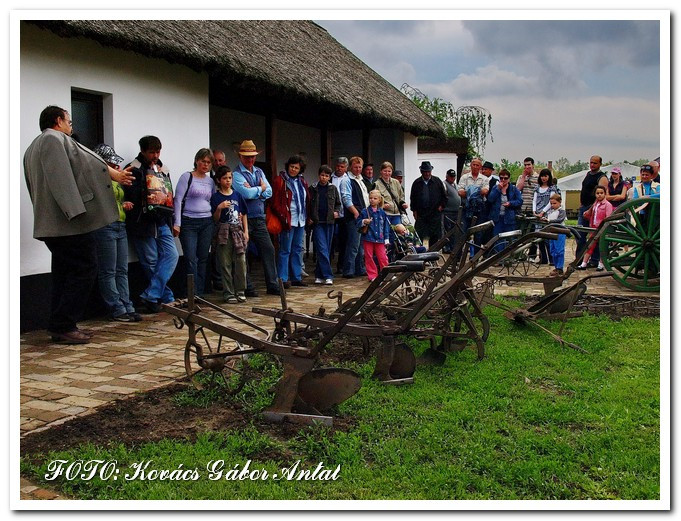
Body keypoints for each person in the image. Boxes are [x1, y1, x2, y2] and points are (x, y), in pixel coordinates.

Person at [23, 106, 133, 343]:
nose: (71, 126)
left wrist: (112, 174)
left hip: (54, 223)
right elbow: (61, 178)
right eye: (69, 121)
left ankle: (60, 325)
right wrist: (76, 213)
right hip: (67, 223)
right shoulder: (53, 140)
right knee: (85, 268)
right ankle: (64, 324)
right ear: (58, 120)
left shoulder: (34, 146)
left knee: (64, 274)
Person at [124, 135, 180, 313]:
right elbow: (129, 194)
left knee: (172, 255)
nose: (155, 155)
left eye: (158, 151)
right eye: (151, 152)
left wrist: (172, 221)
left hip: (162, 220)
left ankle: (151, 294)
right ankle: (166, 297)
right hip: (142, 223)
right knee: (151, 262)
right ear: (142, 151)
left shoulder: (163, 169)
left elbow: (169, 196)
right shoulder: (133, 169)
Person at [92, 144, 141, 323]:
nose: (116, 167)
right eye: (111, 164)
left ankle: (127, 305)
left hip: (120, 224)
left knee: (122, 269)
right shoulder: (96, 180)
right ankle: (116, 308)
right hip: (105, 226)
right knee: (109, 270)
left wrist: (124, 204)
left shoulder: (116, 180)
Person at [231, 140, 280, 295]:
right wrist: (261, 189)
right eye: (247, 157)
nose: (250, 160)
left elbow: (269, 192)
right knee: (242, 252)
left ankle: (272, 284)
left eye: (252, 156)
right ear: (240, 157)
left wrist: (256, 190)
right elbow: (246, 194)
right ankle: (246, 286)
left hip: (258, 217)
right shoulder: (236, 174)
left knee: (268, 249)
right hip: (243, 217)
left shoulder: (259, 171)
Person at [173, 148, 216, 297]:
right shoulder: (187, 177)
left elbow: (213, 200)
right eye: (203, 161)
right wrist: (177, 222)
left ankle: (200, 292)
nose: (205, 165)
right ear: (197, 161)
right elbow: (178, 200)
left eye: (208, 162)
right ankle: (191, 292)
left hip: (207, 221)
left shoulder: (210, 181)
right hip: (189, 221)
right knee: (191, 258)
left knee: (203, 257)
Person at [210, 166, 248, 304]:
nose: (228, 180)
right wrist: (219, 208)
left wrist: (246, 232)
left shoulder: (237, 195)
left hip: (237, 230)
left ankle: (240, 290)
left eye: (230, 178)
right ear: (219, 180)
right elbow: (215, 218)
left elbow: (244, 214)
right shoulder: (216, 197)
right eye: (225, 178)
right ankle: (228, 292)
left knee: (240, 261)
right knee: (225, 263)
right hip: (223, 230)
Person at [271, 155, 310, 288]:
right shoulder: (280, 181)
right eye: (291, 167)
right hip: (288, 220)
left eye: (296, 168)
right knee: (285, 250)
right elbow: (275, 201)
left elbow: (306, 200)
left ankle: (296, 277)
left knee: (297, 249)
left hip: (300, 220)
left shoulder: (302, 182)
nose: (293, 169)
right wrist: (283, 215)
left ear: (300, 169)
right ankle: (283, 278)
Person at [309, 165, 341, 285]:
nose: (324, 177)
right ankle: (328, 275)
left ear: (329, 177)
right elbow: (308, 204)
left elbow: (338, 203)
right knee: (321, 249)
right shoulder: (312, 188)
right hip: (317, 222)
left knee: (326, 250)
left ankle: (319, 274)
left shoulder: (333, 188)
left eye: (326, 176)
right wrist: (309, 217)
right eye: (322, 175)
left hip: (329, 222)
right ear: (319, 175)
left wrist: (337, 212)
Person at [576, 155, 609, 265]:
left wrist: (591, 210)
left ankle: (594, 260)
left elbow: (600, 196)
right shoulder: (588, 174)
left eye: (595, 163)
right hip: (584, 207)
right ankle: (579, 259)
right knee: (579, 234)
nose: (592, 165)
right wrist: (581, 204)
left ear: (600, 164)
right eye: (591, 162)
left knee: (594, 236)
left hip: (595, 209)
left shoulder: (602, 177)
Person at [341, 156, 369, 278]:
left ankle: (360, 268)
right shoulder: (347, 180)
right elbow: (346, 198)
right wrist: (355, 212)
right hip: (354, 217)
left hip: (363, 215)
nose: (358, 169)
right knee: (353, 244)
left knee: (361, 245)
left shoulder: (361, 180)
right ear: (350, 167)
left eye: (360, 167)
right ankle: (348, 270)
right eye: (355, 167)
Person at [410, 161, 447, 248]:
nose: (427, 173)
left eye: (428, 171)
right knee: (419, 235)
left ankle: (432, 255)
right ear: (421, 172)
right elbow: (413, 198)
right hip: (421, 214)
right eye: (425, 171)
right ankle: (420, 254)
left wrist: (441, 207)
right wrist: (414, 210)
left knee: (434, 236)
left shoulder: (437, 181)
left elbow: (444, 196)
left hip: (434, 213)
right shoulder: (416, 183)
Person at [356, 190, 391, 281]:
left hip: (380, 238)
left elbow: (386, 226)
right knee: (369, 257)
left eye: (375, 198)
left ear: (379, 200)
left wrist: (386, 238)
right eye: (370, 198)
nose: (372, 200)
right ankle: (372, 275)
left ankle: (386, 274)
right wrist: (364, 221)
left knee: (382, 257)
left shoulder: (382, 213)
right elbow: (358, 222)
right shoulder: (364, 211)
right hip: (368, 237)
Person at [457, 158, 489, 254]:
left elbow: (485, 191)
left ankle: (475, 257)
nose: (475, 166)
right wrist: (476, 191)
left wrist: (470, 191)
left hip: (479, 209)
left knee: (478, 234)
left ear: (480, 167)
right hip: (466, 208)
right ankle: (457, 257)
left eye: (477, 165)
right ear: (471, 165)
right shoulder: (464, 177)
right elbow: (460, 192)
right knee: (462, 232)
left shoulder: (484, 179)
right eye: (473, 164)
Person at [577, 186, 613, 271]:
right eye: (597, 193)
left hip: (603, 228)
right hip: (594, 227)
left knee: (602, 247)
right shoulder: (595, 204)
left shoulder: (607, 205)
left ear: (605, 194)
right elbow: (592, 214)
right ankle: (584, 263)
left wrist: (604, 227)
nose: (599, 195)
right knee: (590, 246)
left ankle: (601, 264)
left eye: (601, 193)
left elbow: (608, 217)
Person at [486, 169, 523, 253]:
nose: (503, 180)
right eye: (501, 178)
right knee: (497, 237)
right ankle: (499, 258)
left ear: (509, 179)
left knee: (509, 238)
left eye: (505, 178)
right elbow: (490, 199)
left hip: (509, 217)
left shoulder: (513, 189)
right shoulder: (495, 188)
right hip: (497, 217)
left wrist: (510, 203)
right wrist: (498, 189)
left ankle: (508, 256)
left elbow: (520, 201)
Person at [532, 168, 560, 264]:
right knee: (539, 238)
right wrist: (534, 211)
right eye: (542, 176)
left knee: (548, 237)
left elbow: (550, 202)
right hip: (538, 215)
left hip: (547, 214)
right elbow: (534, 200)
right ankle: (543, 258)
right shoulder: (537, 188)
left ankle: (551, 259)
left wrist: (543, 212)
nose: (544, 178)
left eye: (546, 176)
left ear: (549, 177)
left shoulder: (552, 188)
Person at [374, 161, 408, 231]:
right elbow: (373, 200)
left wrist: (403, 203)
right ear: (381, 171)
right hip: (385, 214)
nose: (387, 173)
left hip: (397, 214)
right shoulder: (376, 184)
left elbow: (401, 196)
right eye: (385, 171)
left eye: (389, 171)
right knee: (386, 234)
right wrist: (382, 206)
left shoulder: (396, 182)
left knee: (398, 233)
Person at [331, 157, 350, 274]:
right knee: (330, 240)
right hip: (331, 214)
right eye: (338, 166)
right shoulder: (330, 178)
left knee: (344, 241)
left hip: (344, 214)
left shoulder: (348, 179)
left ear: (346, 168)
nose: (339, 168)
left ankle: (341, 265)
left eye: (342, 167)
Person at [543, 193, 568, 277]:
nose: (553, 205)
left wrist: (549, 221)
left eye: (555, 203)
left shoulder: (562, 211)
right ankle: (556, 267)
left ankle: (560, 268)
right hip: (552, 233)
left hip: (560, 232)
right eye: (551, 204)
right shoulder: (550, 212)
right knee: (553, 251)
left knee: (559, 251)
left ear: (559, 202)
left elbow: (559, 220)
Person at [442, 168, 462, 254]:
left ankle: (453, 247)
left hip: (456, 211)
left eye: (453, 177)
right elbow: (443, 196)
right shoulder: (444, 184)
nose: (452, 178)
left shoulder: (455, 185)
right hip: (447, 211)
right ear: (447, 176)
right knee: (447, 230)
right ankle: (446, 247)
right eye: (450, 176)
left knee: (455, 230)